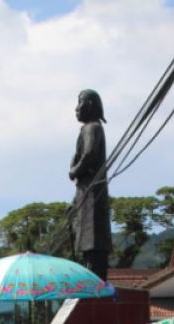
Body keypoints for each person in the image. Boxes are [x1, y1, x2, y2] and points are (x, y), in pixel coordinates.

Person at [68, 88, 112, 281]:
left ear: (90, 105)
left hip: (93, 195)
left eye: (80, 103)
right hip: (87, 194)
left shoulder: (92, 127)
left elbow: (90, 155)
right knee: (88, 248)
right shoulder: (89, 128)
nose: (76, 108)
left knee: (94, 244)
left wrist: (74, 170)